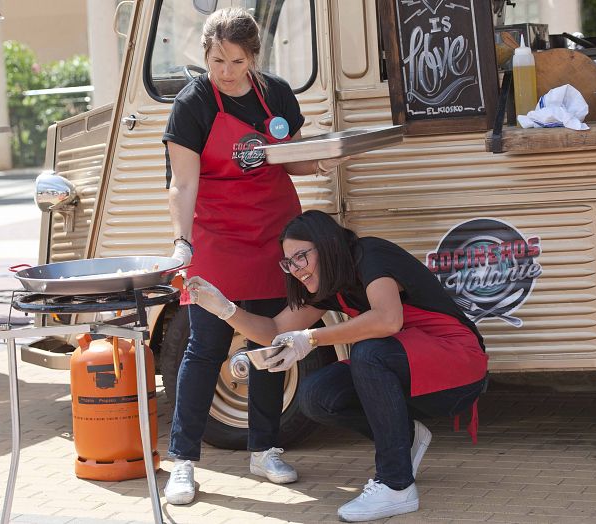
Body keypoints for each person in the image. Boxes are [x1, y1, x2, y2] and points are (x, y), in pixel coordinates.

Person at [186, 210, 489, 522]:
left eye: (301, 256)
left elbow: (387, 319)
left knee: (369, 353)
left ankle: (397, 485)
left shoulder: (371, 255)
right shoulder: (329, 288)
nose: (296, 270)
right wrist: (225, 309)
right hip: (414, 363)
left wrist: (311, 338)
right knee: (316, 396)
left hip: (460, 363)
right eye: (289, 262)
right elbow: (274, 331)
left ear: (327, 245)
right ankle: (406, 438)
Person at [162, 7, 346, 505]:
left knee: (270, 345)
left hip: (274, 233)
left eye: (235, 60)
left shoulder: (277, 94)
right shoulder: (192, 103)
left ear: (253, 58)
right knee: (205, 348)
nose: (224, 70)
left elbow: (294, 160)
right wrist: (183, 242)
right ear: (205, 55)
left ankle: (264, 449)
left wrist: (324, 159)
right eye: (216, 59)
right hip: (216, 238)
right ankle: (183, 461)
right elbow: (183, 183)